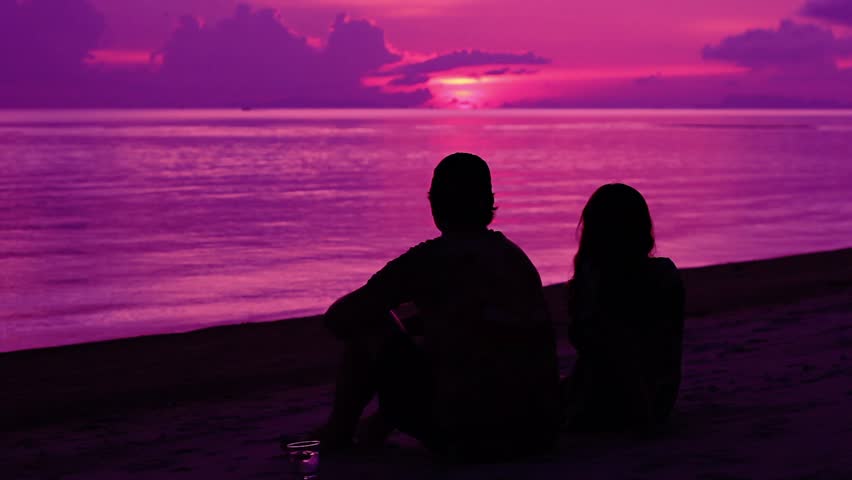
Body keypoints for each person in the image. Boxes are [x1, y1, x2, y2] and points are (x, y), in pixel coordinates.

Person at [315, 152, 560, 461]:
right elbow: (489, 329)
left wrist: (408, 332)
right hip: (536, 431)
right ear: (489, 201)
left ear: (434, 203)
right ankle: (369, 427)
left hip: (467, 433)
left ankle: (339, 431)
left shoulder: (429, 261)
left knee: (372, 326)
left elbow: (340, 318)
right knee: (450, 340)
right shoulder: (515, 259)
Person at [562, 183, 685, 432]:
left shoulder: (596, 281)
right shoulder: (665, 274)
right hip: (659, 398)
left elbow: (591, 345)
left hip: (614, 404)